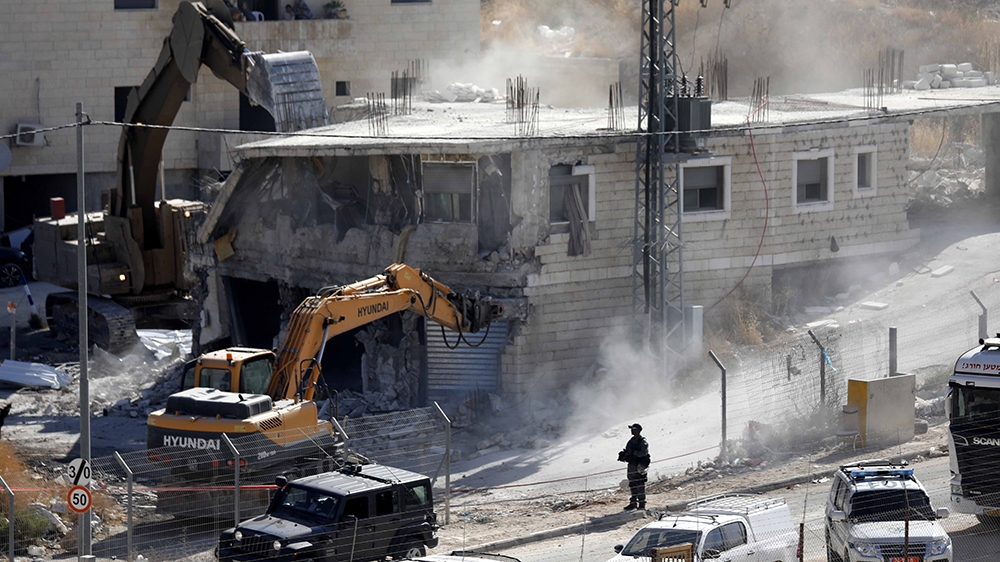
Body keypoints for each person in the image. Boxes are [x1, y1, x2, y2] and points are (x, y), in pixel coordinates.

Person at [617, 423, 650, 510]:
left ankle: (642, 504)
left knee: (640, 484)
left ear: (638, 430)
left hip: (639, 466)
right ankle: (633, 503)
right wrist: (624, 455)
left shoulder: (643, 442)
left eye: (634, 429)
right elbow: (628, 451)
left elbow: (644, 453)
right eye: (631, 429)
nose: (632, 431)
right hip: (632, 465)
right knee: (632, 484)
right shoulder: (631, 441)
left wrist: (634, 452)